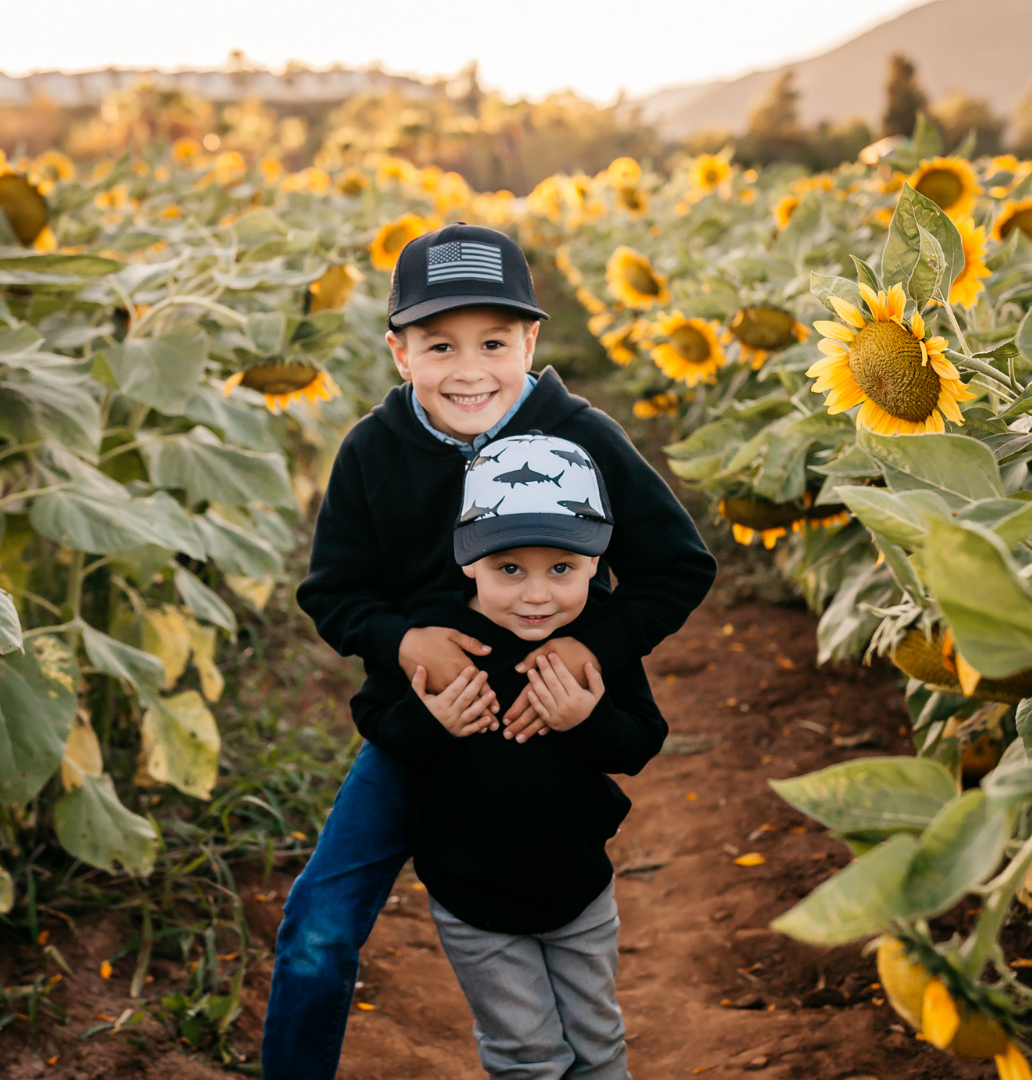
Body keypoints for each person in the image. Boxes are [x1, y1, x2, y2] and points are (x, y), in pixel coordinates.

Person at [261, 223, 716, 1079]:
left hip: (552, 721)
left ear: (529, 341)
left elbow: (678, 566)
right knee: (319, 928)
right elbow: (333, 594)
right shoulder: (371, 453)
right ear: (400, 352)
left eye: (494, 342)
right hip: (426, 726)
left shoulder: (581, 434)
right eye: (440, 344)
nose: (469, 369)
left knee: (569, 958)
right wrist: (404, 642)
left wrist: (594, 648)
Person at [351, 434, 667, 1078]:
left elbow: (639, 741)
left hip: (579, 887)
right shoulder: (438, 634)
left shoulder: (596, 640)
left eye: (562, 569)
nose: (537, 596)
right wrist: (429, 719)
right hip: (471, 897)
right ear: (468, 561)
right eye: (509, 569)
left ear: (595, 562)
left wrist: (587, 720)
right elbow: (374, 717)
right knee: (523, 1054)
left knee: (598, 1041)